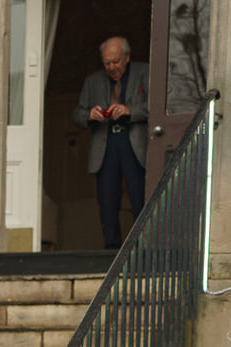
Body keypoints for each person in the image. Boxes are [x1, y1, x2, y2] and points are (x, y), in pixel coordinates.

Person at [72, 36, 149, 249]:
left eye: (116, 62)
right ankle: (112, 248)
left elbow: (155, 107)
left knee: (139, 195)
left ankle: (143, 247)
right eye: (107, 63)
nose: (112, 67)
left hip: (132, 141)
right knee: (107, 199)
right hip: (105, 144)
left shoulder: (145, 72)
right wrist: (90, 115)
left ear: (127, 57)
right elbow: (76, 114)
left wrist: (129, 111)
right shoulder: (92, 81)